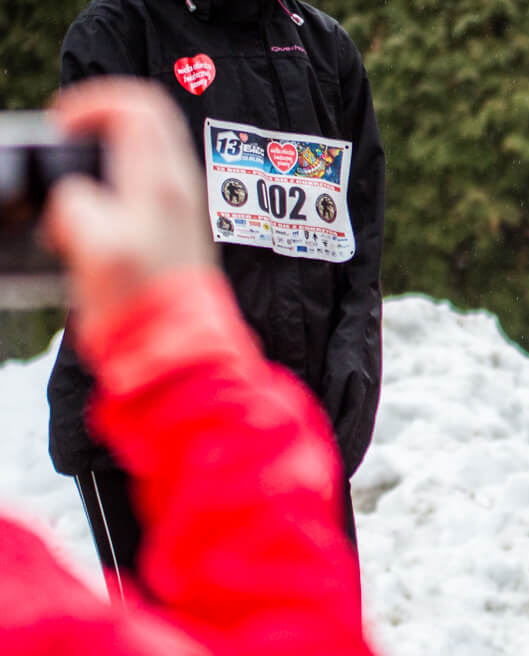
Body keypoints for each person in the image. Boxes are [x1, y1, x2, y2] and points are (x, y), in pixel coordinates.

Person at [46, 0, 385, 602]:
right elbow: (101, 250)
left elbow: (359, 241)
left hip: (296, 434)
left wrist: (350, 372)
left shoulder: (324, 48)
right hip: (151, 439)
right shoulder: (117, 34)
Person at [4, 78, 375, 655]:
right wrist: (181, 356)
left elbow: (360, 228)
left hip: (210, 401)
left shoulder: (324, 50)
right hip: (154, 418)